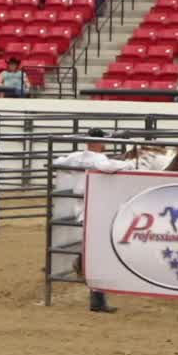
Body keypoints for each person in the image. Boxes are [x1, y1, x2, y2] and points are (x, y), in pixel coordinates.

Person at [51, 128, 136, 313]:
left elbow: (57, 162)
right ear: (99, 142)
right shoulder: (99, 160)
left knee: (93, 247)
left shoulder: (76, 157)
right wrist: (128, 164)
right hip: (96, 207)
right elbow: (109, 166)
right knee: (99, 252)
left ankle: (83, 267)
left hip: (82, 206)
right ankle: (97, 298)